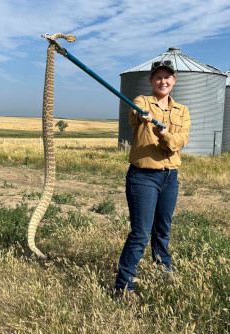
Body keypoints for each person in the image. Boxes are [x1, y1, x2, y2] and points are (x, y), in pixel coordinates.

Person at [115, 60, 191, 295]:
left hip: (170, 177)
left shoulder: (183, 111)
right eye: (158, 77)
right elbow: (134, 115)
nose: (163, 81)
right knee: (140, 232)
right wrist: (143, 117)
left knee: (163, 230)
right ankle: (124, 287)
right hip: (143, 177)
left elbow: (181, 141)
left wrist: (165, 134)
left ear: (174, 81)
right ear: (151, 81)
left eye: (167, 77)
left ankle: (164, 273)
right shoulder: (142, 101)